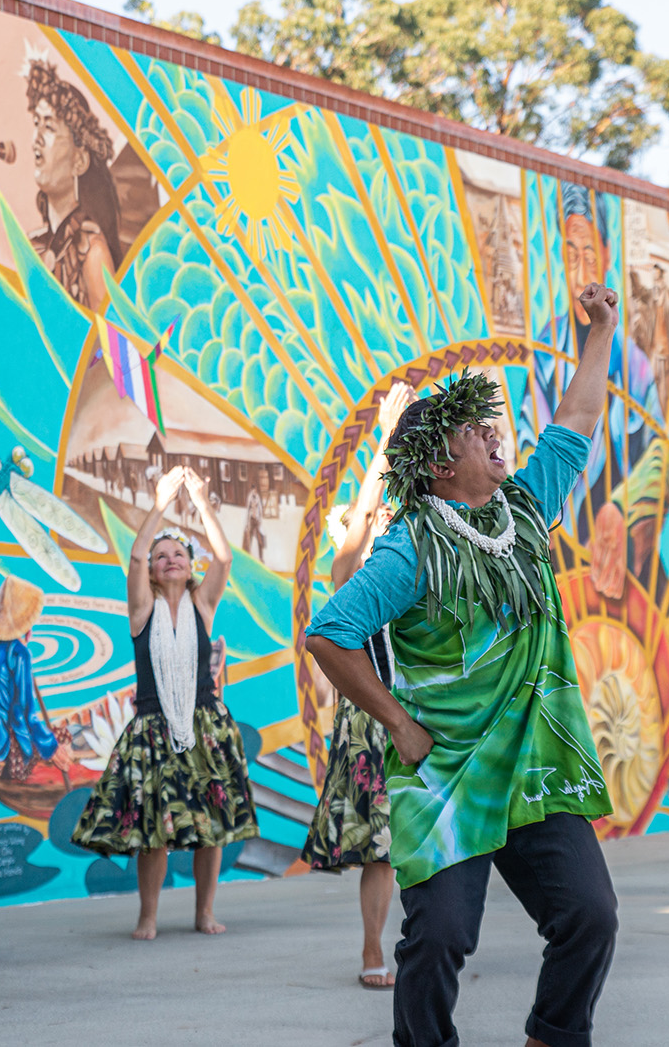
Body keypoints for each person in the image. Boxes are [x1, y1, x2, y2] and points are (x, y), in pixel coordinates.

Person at [305, 282, 621, 1047]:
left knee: (590, 914)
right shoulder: (411, 545)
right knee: (440, 937)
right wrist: (398, 723)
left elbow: (577, 415)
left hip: (532, 763)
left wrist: (599, 336)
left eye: (489, 424)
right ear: (441, 466)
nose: (493, 433)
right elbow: (329, 632)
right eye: (475, 430)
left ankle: (553, 1036)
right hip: (445, 774)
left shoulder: (523, 504)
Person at [72, 465, 258, 939]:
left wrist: (200, 501)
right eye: (162, 556)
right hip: (154, 727)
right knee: (154, 827)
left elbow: (223, 557)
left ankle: (204, 911)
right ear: (152, 571)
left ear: (190, 565)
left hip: (204, 724)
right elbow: (134, 557)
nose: (169, 559)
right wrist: (158, 504)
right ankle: (148, 915)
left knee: (210, 823)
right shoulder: (141, 611)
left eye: (178, 553)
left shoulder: (202, 606)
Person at [301, 381, 413, 990]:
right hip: (373, 719)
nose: (380, 522)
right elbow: (367, 513)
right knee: (382, 847)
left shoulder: (419, 564)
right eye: (368, 522)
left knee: (425, 838)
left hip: (428, 708)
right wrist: (386, 445)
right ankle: (375, 947)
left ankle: (431, 936)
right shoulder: (351, 574)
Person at [25, 56, 121, 312]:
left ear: (79, 161)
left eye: (49, 127)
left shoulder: (92, 252)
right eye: (36, 124)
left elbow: (107, 344)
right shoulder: (32, 245)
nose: (36, 139)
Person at [0, 576, 72, 781]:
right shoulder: (20, 653)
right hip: (9, 740)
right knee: (63, 736)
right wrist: (51, 748)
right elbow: (24, 712)